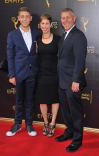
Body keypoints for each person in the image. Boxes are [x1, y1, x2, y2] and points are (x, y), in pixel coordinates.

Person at [55, 8, 87, 152]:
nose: (65, 20)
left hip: (73, 82)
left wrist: (76, 81)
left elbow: (80, 61)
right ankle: (69, 132)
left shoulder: (78, 36)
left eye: (68, 17)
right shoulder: (64, 35)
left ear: (74, 19)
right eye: (63, 18)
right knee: (66, 111)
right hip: (62, 81)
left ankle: (77, 140)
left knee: (75, 112)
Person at [6, 7, 40, 137]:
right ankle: (17, 124)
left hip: (33, 72)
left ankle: (29, 124)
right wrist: (12, 74)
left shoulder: (37, 34)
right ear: (19, 18)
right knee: (19, 100)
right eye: (22, 16)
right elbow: (10, 56)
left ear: (31, 18)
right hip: (19, 73)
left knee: (31, 100)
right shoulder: (12, 35)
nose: (25, 18)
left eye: (27, 16)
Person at [36, 14, 60, 137]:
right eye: (42, 23)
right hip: (41, 74)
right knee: (43, 102)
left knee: (55, 100)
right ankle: (45, 123)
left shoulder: (57, 39)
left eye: (47, 23)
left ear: (51, 25)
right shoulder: (37, 39)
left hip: (54, 75)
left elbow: (62, 57)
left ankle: (52, 124)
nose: (44, 26)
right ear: (40, 25)